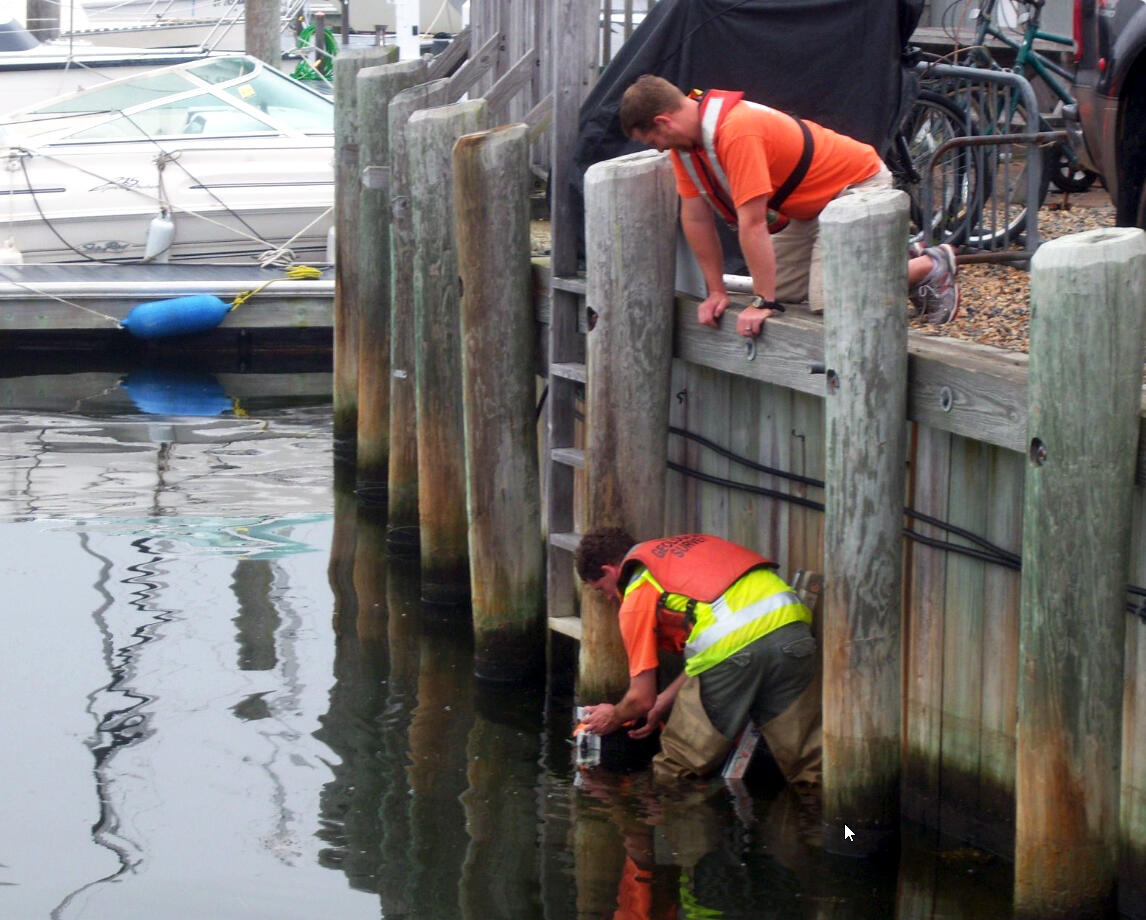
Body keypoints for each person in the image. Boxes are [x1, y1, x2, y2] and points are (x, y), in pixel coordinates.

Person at [618, 74, 960, 334]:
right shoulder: (687, 147)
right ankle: (879, 260)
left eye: (654, 140)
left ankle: (929, 266)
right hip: (810, 207)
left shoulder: (737, 130)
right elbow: (695, 218)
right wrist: (716, 292)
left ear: (664, 121)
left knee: (832, 300)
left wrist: (763, 303)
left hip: (857, 186)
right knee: (785, 290)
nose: (659, 148)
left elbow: (752, 222)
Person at [575, 528, 822, 786]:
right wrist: (663, 703)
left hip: (734, 652)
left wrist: (613, 715)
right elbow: (707, 652)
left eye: (602, 589)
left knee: (677, 769)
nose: (610, 597)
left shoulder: (638, 591)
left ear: (610, 570)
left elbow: (640, 698)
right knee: (809, 765)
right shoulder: (689, 550)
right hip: (793, 630)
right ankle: (835, 825)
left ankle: (676, 822)